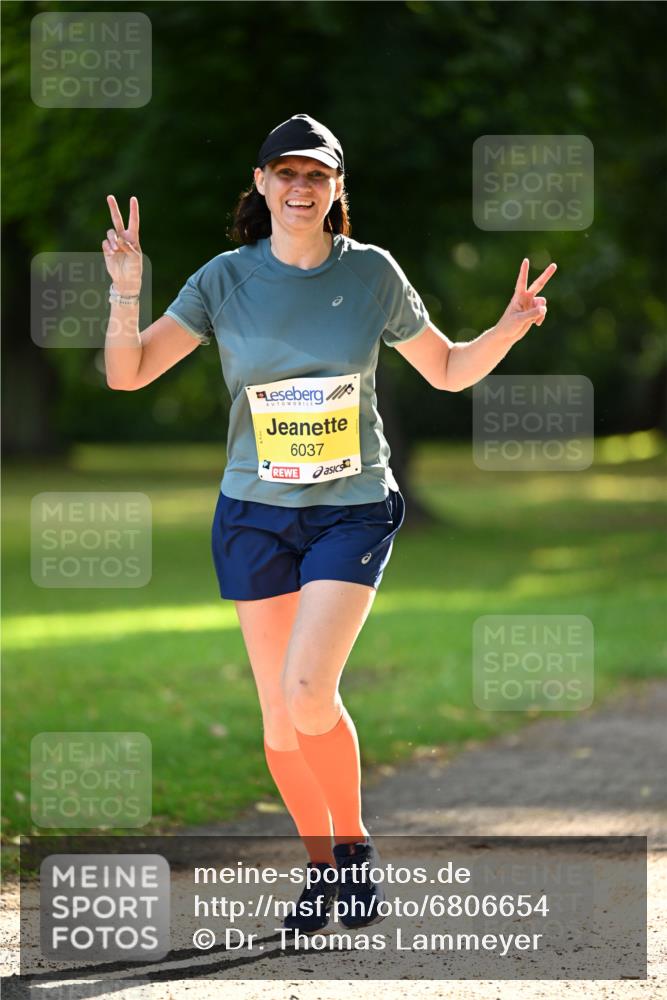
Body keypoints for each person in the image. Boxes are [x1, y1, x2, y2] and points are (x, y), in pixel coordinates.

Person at [103, 113, 556, 935]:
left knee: (310, 691)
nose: (301, 187)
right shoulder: (221, 280)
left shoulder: (372, 274)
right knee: (278, 715)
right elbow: (128, 374)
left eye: (317, 174)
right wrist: (125, 291)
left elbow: (448, 369)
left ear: (337, 188)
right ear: (262, 184)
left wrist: (509, 326)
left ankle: (352, 850)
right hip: (252, 513)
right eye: (286, 173)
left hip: (350, 508)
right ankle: (322, 868)